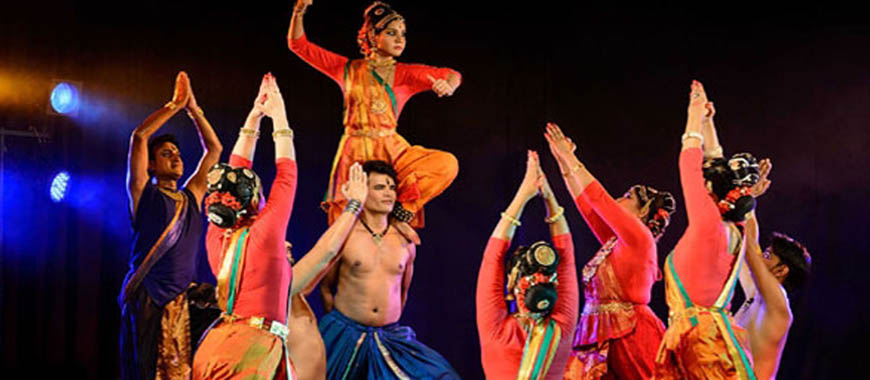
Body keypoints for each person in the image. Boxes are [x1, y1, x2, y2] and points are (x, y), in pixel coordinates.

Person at [288, 0, 460, 234]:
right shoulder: (347, 69)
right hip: (354, 151)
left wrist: (448, 85)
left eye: (403, 34)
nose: (400, 39)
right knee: (346, 230)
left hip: (391, 150)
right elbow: (299, 45)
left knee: (447, 164)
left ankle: (404, 208)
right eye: (391, 33)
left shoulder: (405, 73)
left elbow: (451, 74)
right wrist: (299, 12)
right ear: (372, 36)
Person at [543, 122, 674, 380]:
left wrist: (571, 157)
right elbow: (588, 207)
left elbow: (598, 199)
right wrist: (563, 162)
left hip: (632, 336)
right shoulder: (616, 241)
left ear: (643, 212)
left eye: (627, 196)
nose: (617, 199)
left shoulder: (640, 238)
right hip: (602, 332)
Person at [654, 80, 762, 380]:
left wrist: (693, 115)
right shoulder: (735, 226)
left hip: (699, 345)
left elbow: (689, 163)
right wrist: (708, 122)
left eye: (706, 184)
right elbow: (717, 169)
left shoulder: (707, 224)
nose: (700, 185)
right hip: (712, 339)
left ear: (711, 189)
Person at [193, 73, 298, 379]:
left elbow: (233, 174)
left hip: (216, 345)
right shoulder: (266, 233)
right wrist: (278, 116)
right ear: (253, 201)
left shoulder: (217, 235)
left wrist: (253, 117)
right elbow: (287, 176)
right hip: (252, 351)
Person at [120, 71, 222, 380]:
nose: (176, 158)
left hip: (184, 306)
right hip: (149, 300)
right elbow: (139, 136)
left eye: (177, 154)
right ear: (151, 164)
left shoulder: (191, 198)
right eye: (166, 154)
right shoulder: (143, 194)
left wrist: (194, 110)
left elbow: (214, 150)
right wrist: (176, 105)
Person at [317, 160, 460, 380]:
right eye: (379, 187)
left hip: (389, 336)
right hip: (344, 333)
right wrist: (341, 330)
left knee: (443, 375)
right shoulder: (344, 235)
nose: (388, 194)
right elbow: (326, 288)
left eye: (392, 187)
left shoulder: (405, 240)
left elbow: (402, 292)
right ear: (363, 191)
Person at [476, 150, 579, 380]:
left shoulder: (497, 331)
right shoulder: (560, 329)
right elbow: (567, 258)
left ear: (512, 284)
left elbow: (492, 258)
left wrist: (524, 194)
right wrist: (549, 197)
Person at [285, 163, 369, 380]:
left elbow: (329, 257)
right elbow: (326, 251)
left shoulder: (296, 293)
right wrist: (354, 205)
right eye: (279, 245)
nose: (288, 245)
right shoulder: (281, 289)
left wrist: (347, 210)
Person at [735, 160, 812, 380]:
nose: (761, 257)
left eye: (768, 256)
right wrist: (751, 198)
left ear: (781, 270)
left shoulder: (778, 305)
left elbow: (749, 247)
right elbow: (751, 243)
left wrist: (747, 194)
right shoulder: (757, 294)